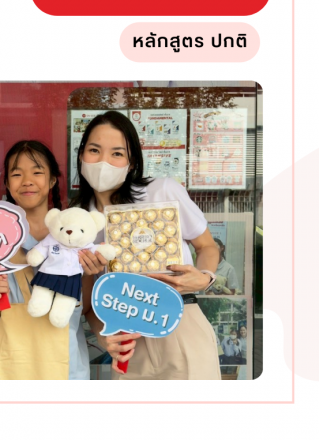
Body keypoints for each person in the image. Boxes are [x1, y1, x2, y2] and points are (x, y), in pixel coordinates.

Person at [73, 111, 221, 380]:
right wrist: (105, 336)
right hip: (127, 338)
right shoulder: (77, 221)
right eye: (94, 150)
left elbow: (207, 246)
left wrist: (204, 277)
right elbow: (89, 303)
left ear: (131, 163)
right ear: (81, 154)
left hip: (180, 324)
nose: (104, 161)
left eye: (117, 153)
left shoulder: (162, 192)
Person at [0, 140, 105, 380]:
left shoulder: (77, 233)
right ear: (7, 184)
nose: (27, 181)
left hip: (67, 364)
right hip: (14, 364)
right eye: (17, 174)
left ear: (52, 180)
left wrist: (87, 274)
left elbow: (84, 307)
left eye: (37, 172)